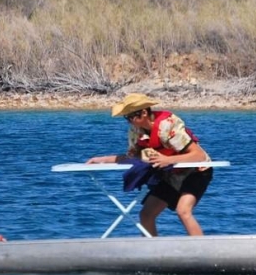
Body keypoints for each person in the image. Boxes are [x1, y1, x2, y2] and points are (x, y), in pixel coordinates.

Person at [87, 93, 213, 237]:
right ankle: (153, 252)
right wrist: (102, 159)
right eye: (126, 118)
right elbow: (132, 157)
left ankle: (200, 251)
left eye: (131, 117)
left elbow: (199, 155)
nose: (129, 121)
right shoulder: (136, 131)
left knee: (183, 211)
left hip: (196, 171)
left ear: (144, 113)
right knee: (146, 214)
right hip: (172, 173)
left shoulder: (168, 125)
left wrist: (167, 160)